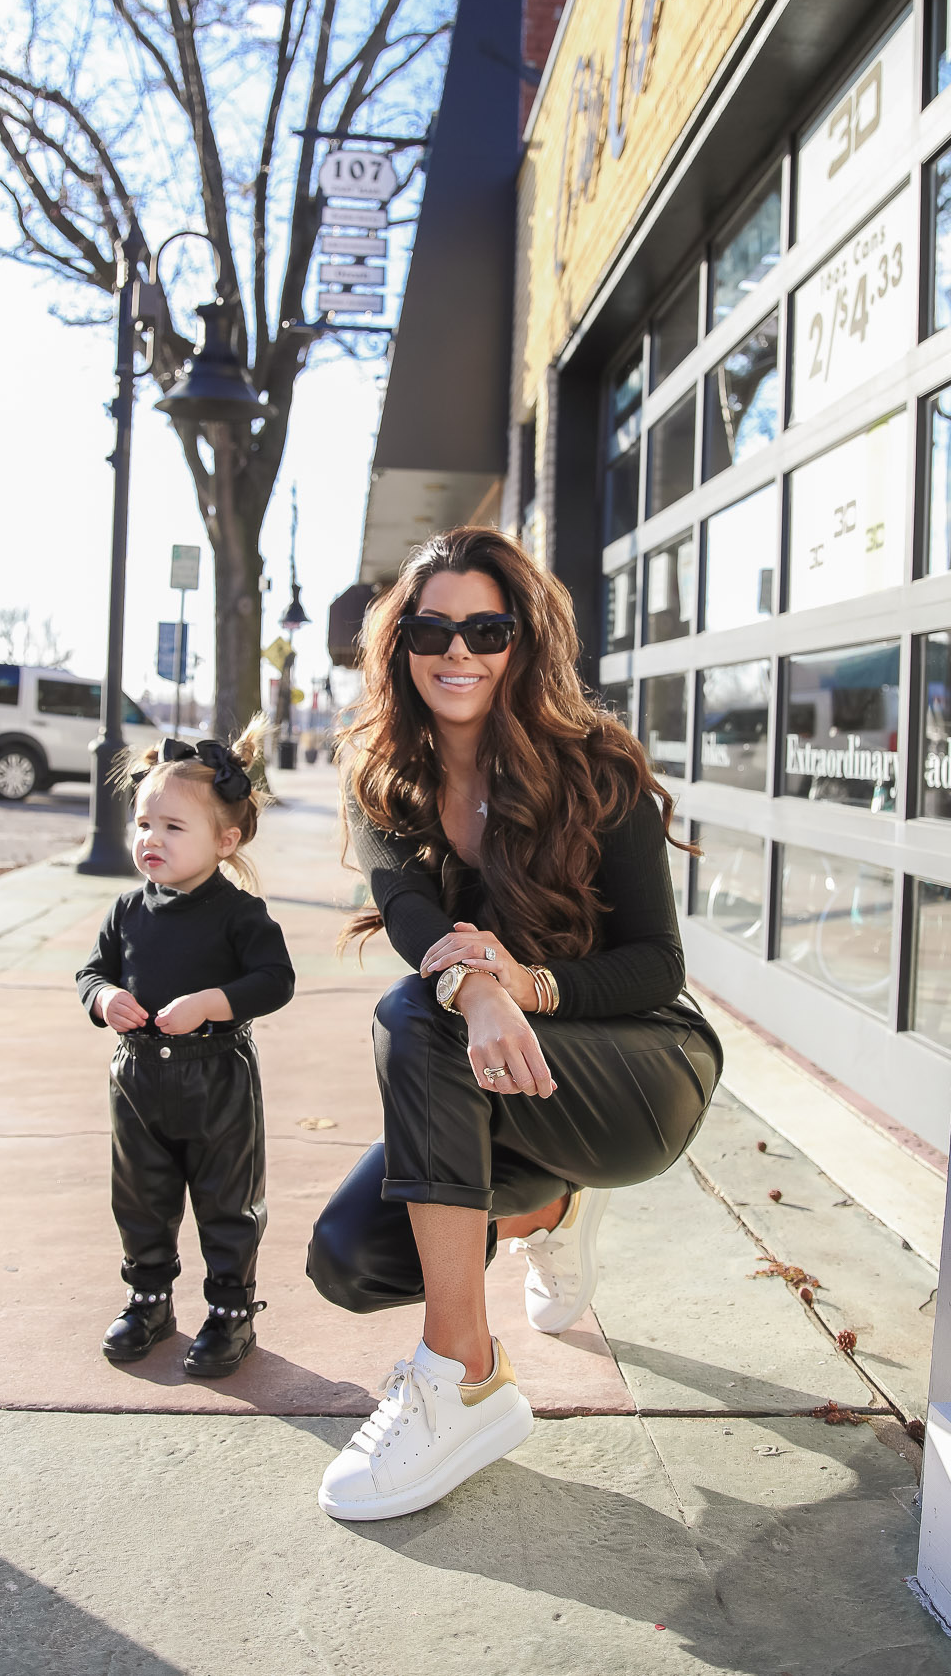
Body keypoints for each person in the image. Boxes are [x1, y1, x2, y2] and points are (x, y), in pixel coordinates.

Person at [308, 527, 721, 1521]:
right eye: (433, 629)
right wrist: (478, 987)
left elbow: (658, 966)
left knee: (418, 1015)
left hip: (641, 1063)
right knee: (353, 1256)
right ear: (398, 646)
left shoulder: (596, 765)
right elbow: (417, 925)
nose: (459, 652)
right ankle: (549, 1209)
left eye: (484, 628)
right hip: (498, 1061)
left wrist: (522, 984)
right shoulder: (382, 779)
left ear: (519, 639)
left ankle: (464, 1378)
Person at [77, 728, 294, 1379]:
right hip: (137, 1079)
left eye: (174, 827)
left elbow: (273, 981)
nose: (152, 839)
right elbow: (92, 973)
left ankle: (231, 1312)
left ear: (225, 842)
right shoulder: (125, 911)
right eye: (144, 823)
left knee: (227, 1200)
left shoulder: (239, 915)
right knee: (140, 1195)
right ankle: (148, 1301)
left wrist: (210, 1003)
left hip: (216, 1076)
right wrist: (104, 997)